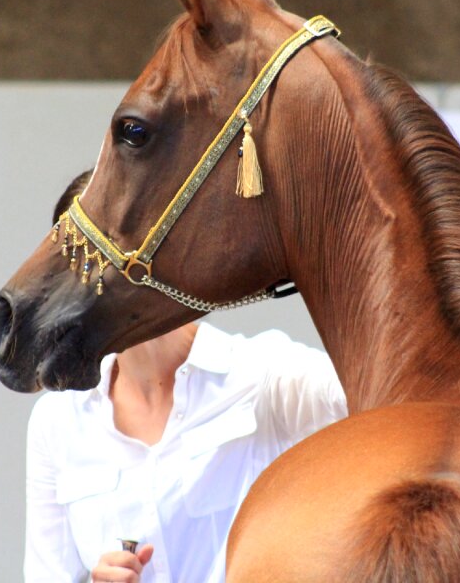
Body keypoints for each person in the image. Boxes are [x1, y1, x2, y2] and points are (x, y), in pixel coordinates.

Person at [24, 172, 347, 583]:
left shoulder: (263, 374)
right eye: (88, 262)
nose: (112, 275)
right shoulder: (57, 422)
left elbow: (386, 396)